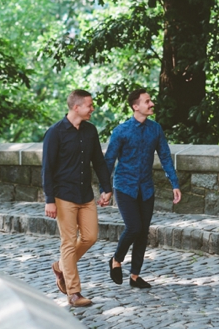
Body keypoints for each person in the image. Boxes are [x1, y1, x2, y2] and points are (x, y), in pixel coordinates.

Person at [104, 88, 181, 289]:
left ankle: (135, 276)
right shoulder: (121, 131)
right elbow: (109, 160)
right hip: (124, 187)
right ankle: (116, 259)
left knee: (143, 232)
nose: (151, 104)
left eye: (151, 101)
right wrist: (105, 189)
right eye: (147, 101)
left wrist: (175, 183)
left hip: (146, 188)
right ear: (135, 106)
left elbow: (165, 156)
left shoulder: (155, 129)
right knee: (134, 227)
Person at [42, 89, 113, 307]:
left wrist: (106, 188)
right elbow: (47, 168)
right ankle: (74, 293)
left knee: (91, 237)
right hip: (63, 195)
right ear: (76, 107)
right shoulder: (55, 133)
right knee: (69, 242)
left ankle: (61, 266)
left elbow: (98, 162)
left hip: (85, 194)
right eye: (89, 106)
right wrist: (49, 199)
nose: (92, 109)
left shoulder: (90, 131)